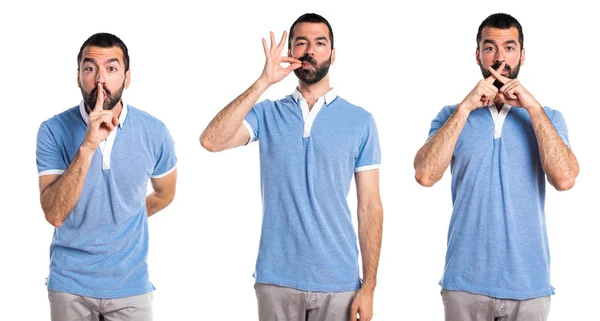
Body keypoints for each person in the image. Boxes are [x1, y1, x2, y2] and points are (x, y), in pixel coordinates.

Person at [200, 13, 383, 321]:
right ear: (291, 53)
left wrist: (369, 288)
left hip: (338, 282)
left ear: (333, 54)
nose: (310, 50)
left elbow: (369, 207)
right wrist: (263, 82)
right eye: (301, 43)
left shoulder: (360, 121)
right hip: (276, 280)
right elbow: (211, 141)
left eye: (320, 43)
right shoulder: (267, 114)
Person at [413, 13, 579, 321]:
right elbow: (424, 175)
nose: (500, 57)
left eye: (509, 47)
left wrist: (532, 107)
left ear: (522, 55)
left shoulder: (548, 117)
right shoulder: (451, 115)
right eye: (490, 47)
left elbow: (565, 178)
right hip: (464, 285)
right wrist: (465, 107)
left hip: (528, 286)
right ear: (478, 54)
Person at [36, 32, 177, 321]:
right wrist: (88, 145)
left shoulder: (155, 132)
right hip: (70, 284)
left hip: (131, 284)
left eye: (111, 69)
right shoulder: (52, 130)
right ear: (78, 77)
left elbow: (165, 193)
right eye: (90, 69)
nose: (100, 79)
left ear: (127, 78)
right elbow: (54, 213)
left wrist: (123, 219)